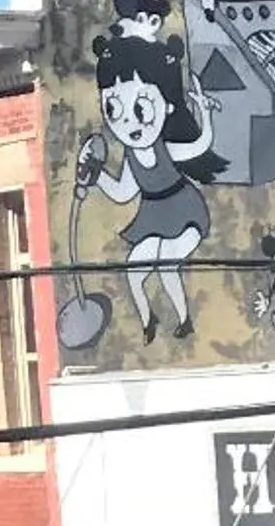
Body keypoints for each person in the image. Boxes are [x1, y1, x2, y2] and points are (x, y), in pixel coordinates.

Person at [75, 30, 226, 345]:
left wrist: (206, 113)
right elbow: (121, 193)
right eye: (114, 110)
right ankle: (148, 321)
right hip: (153, 216)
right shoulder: (131, 157)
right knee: (134, 269)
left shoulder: (164, 148)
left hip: (184, 211)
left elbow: (201, 144)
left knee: (168, 264)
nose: (129, 124)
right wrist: (96, 175)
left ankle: (184, 320)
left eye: (140, 109)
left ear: (167, 106)